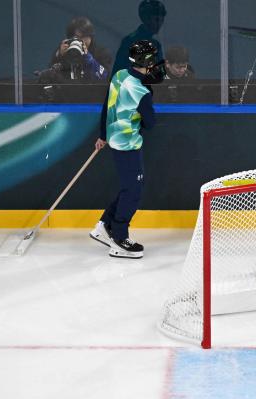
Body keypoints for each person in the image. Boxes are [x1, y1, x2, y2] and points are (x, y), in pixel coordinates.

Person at [90, 40, 163, 259]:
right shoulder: (142, 91)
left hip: (113, 138)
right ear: (148, 62)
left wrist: (103, 134)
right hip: (127, 144)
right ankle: (119, 238)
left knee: (128, 188)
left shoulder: (120, 75)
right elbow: (150, 123)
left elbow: (107, 105)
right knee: (134, 191)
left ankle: (104, 226)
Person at [41, 16, 112, 82]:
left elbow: (106, 79)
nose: (81, 41)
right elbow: (53, 76)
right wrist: (59, 56)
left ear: (91, 37)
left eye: (85, 37)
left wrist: (90, 61)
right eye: (77, 37)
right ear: (69, 38)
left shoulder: (102, 53)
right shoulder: (64, 51)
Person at [111, 0, 166, 78]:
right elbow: (118, 73)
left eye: (162, 20)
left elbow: (160, 75)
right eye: (156, 19)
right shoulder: (129, 42)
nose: (160, 23)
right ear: (146, 18)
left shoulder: (156, 44)